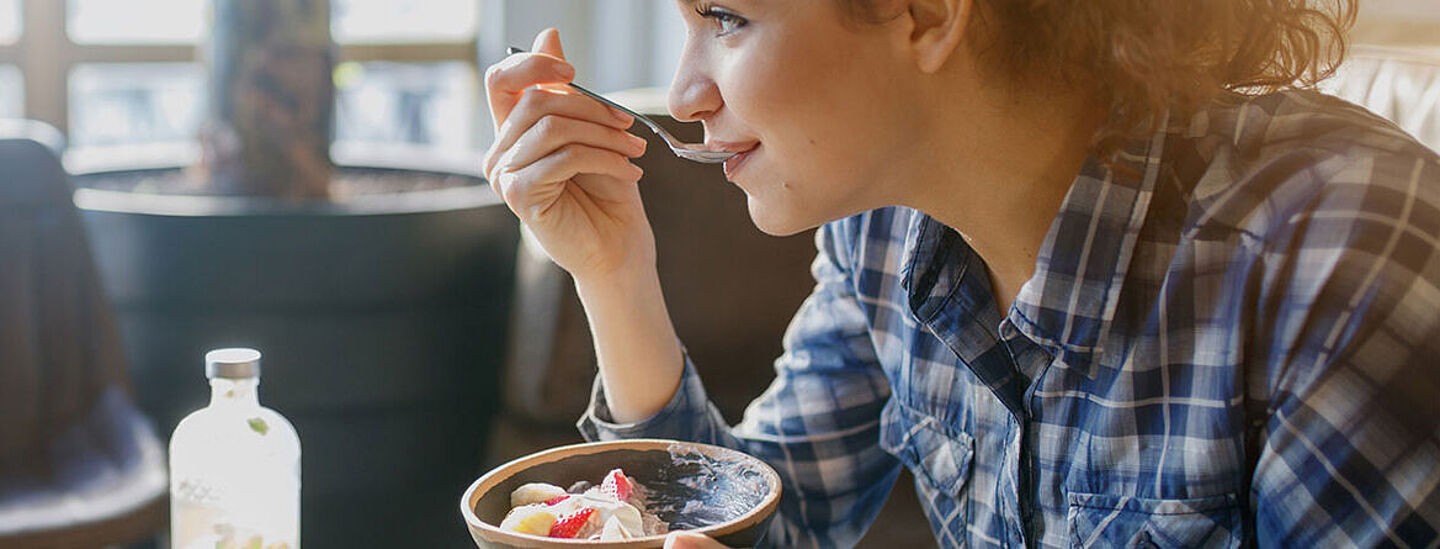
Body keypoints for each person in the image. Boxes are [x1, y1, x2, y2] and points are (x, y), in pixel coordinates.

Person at [482, 0, 1440, 546]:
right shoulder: (885, 235)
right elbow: (774, 524)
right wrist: (613, 270)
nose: (686, 93)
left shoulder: (1336, 259)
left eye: (726, 16)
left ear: (931, 12)